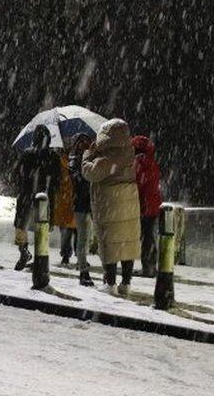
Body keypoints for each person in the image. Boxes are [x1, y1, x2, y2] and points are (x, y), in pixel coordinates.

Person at [82, 119, 141, 295]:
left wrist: (87, 155)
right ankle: (126, 283)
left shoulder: (108, 157)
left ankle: (110, 283)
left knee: (110, 244)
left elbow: (91, 173)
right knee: (127, 244)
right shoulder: (128, 152)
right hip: (129, 202)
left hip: (110, 203)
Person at [12, 124, 59, 270]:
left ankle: (23, 252)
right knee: (42, 228)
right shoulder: (53, 156)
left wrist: (21, 184)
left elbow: (15, 174)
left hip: (26, 195)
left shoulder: (27, 153)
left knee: (21, 226)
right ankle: (40, 257)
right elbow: (57, 179)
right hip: (44, 198)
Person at [132, 135, 163, 278]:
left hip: (144, 205)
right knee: (150, 236)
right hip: (153, 205)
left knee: (145, 238)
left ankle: (147, 268)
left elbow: (138, 184)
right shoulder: (152, 162)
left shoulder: (139, 162)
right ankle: (152, 265)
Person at [69, 133, 95, 286]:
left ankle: (83, 265)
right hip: (81, 203)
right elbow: (79, 181)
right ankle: (83, 270)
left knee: (86, 237)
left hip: (90, 202)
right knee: (82, 237)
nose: (84, 145)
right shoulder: (75, 161)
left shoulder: (89, 159)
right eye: (81, 142)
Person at [53, 148, 77, 266]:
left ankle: (71, 256)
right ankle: (68, 256)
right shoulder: (62, 162)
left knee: (71, 232)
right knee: (70, 232)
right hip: (68, 201)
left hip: (70, 201)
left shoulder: (64, 162)